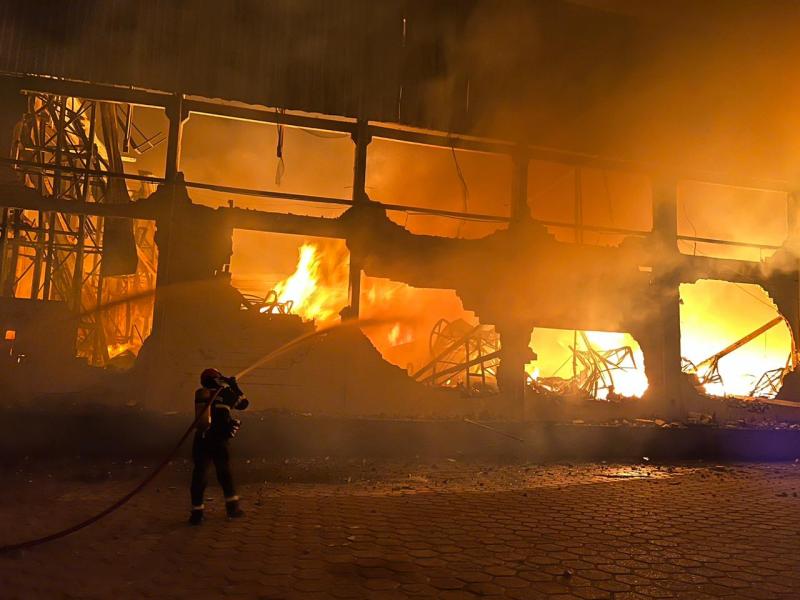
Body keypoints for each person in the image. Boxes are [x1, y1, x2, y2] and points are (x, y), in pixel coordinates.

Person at [189, 368, 249, 525]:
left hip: (201, 439)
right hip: (218, 440)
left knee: (199, 475)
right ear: (217, 380)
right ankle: (233, 509)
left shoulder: (201, 395)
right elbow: (244, 403)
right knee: (224, 474)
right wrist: (234, 386)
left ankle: (197, 514)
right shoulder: (226, 394)